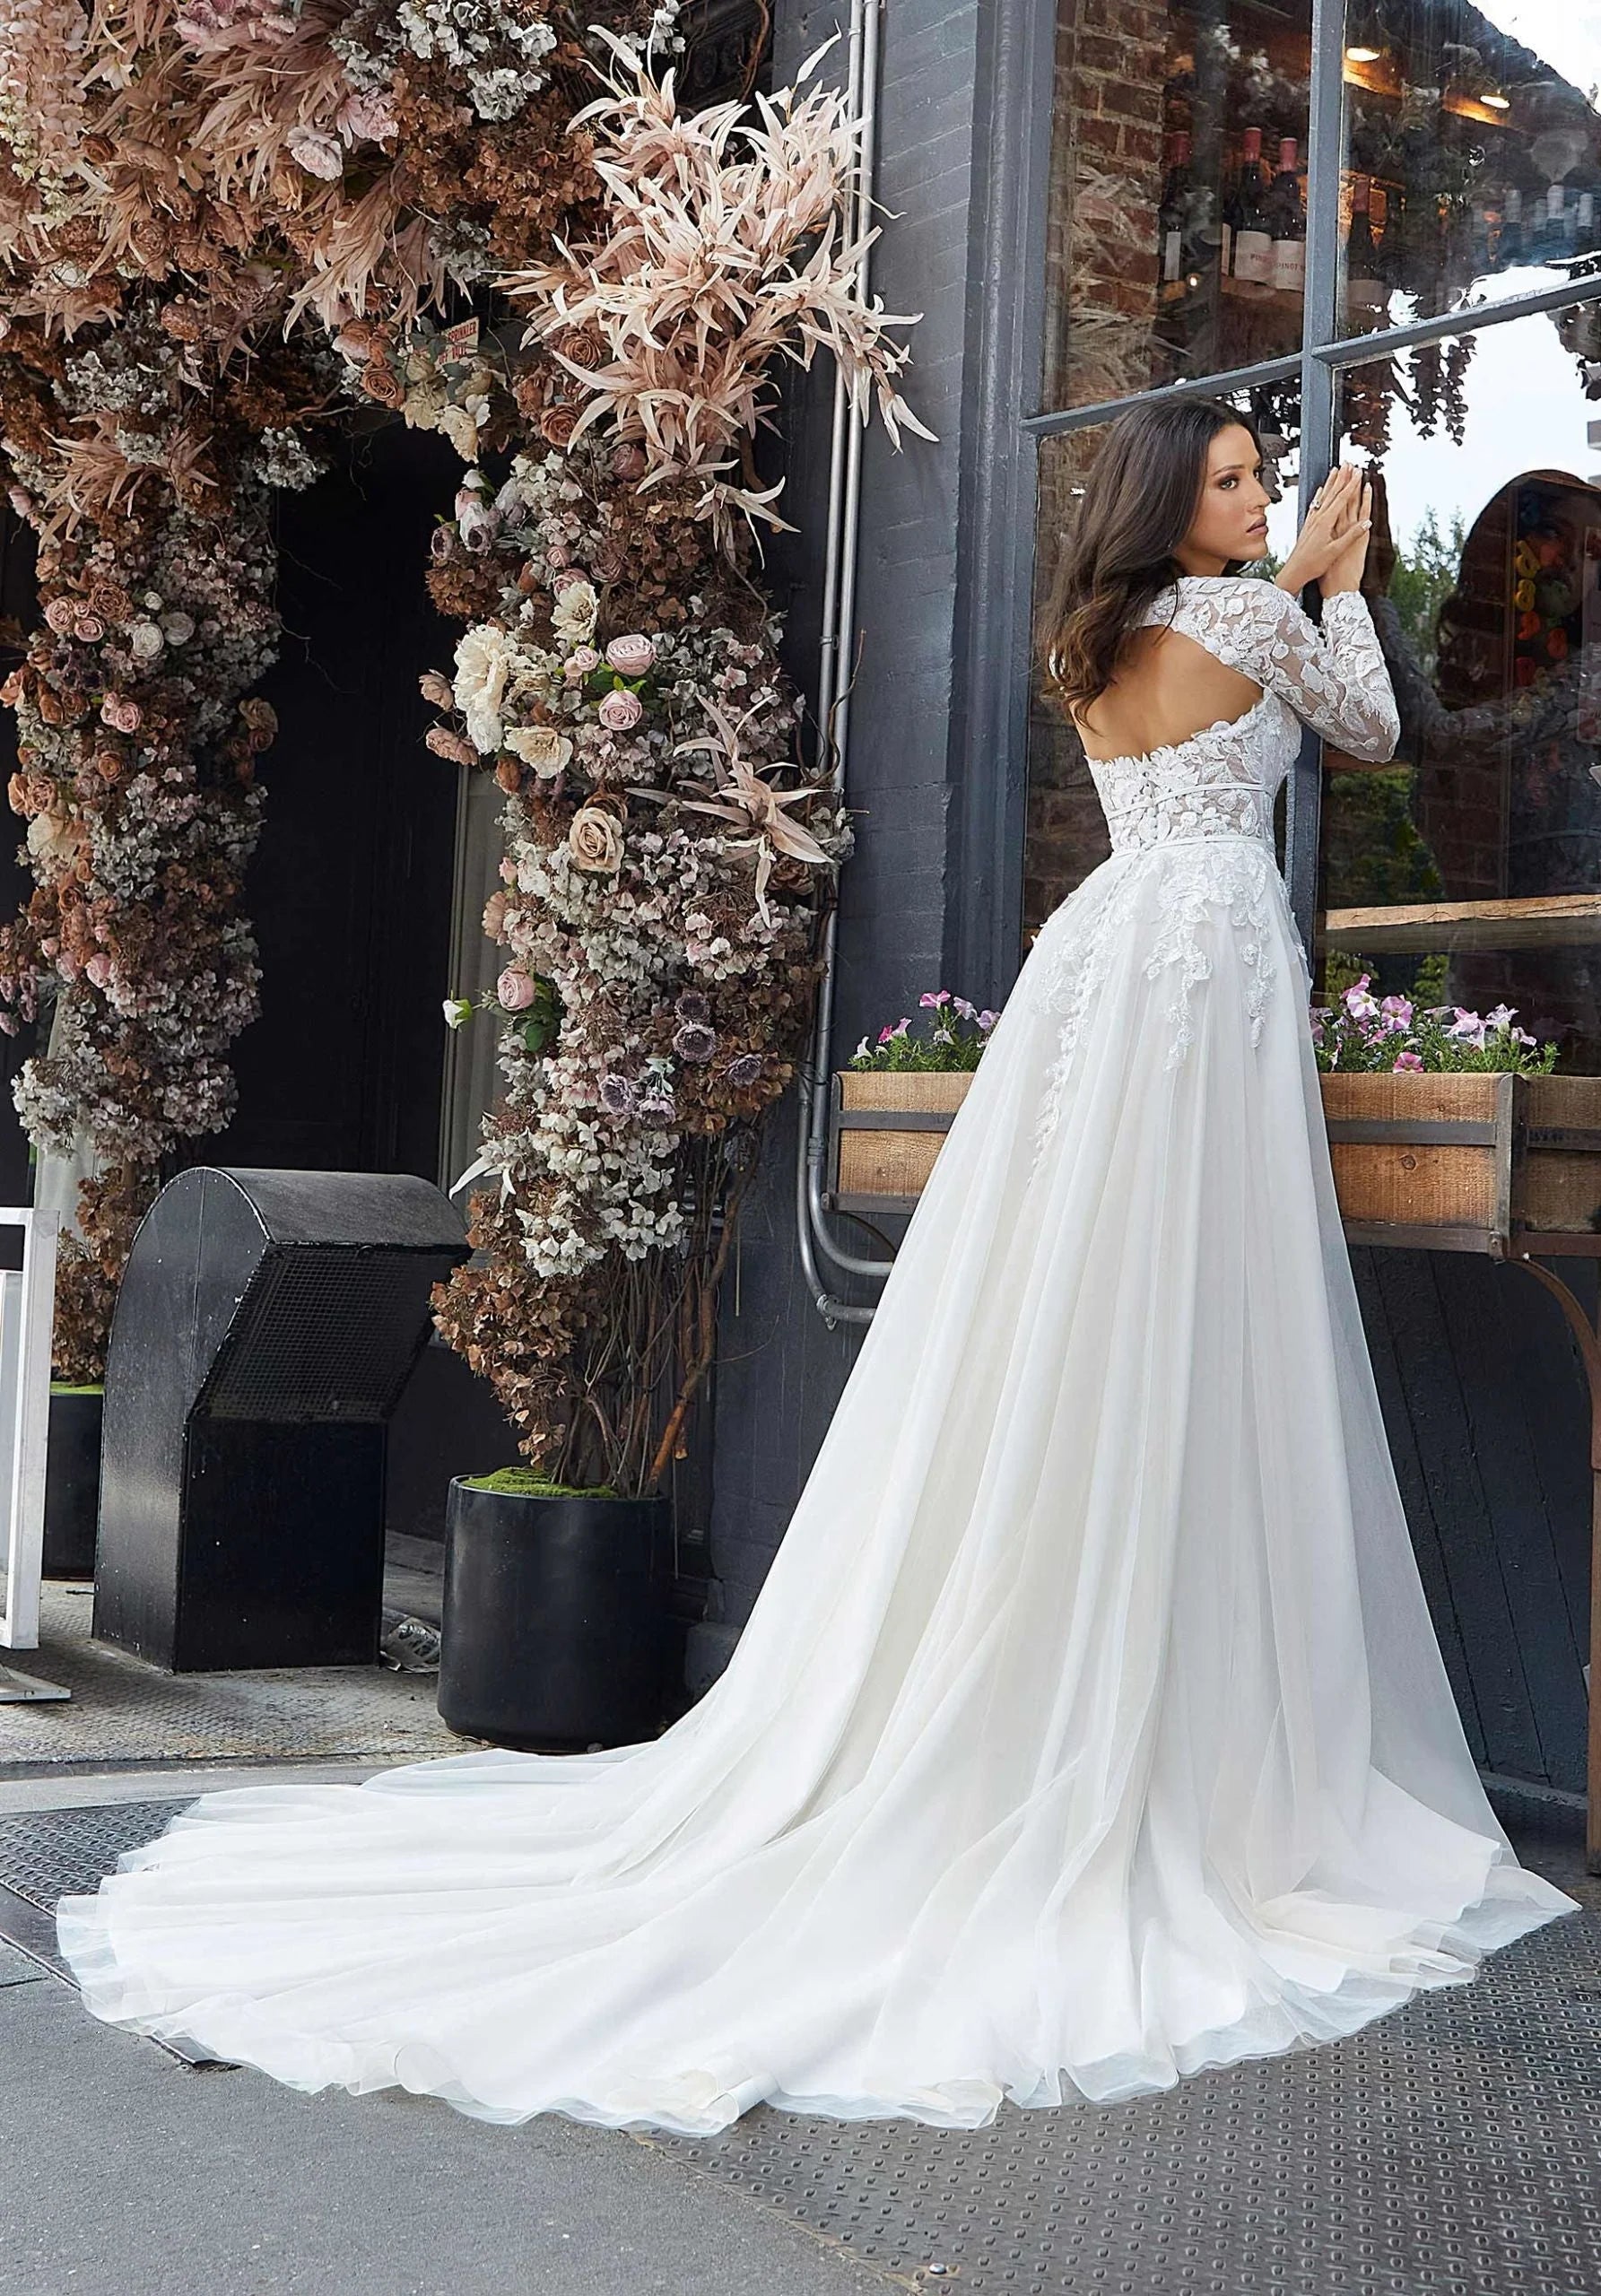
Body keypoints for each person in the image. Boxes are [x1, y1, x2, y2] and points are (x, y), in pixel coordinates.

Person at [57, 396, 1578, 2136]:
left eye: (1257, 482)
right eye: (1228, 478)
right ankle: (1172, 1730)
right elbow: (1374, 730)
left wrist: (1290, 578)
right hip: (1196, 965)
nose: (1254, 499)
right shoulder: (1241, 610)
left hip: (1108, 967)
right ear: (1170, 502)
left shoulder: (1092, 643)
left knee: (1076, 1314)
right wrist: (1336, 584)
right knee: (1182, 1308)